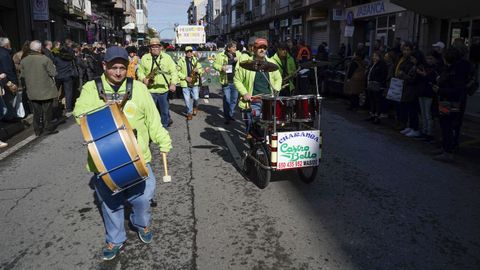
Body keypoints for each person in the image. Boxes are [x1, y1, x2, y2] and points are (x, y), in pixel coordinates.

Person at [73, 46, 172, 260]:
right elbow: (79, 113)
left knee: (144, 198)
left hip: (138, 157)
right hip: (105, 162)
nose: (118, 72)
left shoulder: (138, 88)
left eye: (122, 67)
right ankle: (115, 238)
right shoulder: (92, 88)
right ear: (104, 66)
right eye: (113, 68)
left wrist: (164, 140)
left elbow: (153, 120)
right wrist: (102, 109)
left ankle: (141, 224)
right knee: (111, 203)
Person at [234, 38, 282, 137]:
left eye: (264, 48)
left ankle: (264, 148)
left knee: (269, 128)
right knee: (253, 130)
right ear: (254, 49)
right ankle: (253, 149)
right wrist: (245, 93)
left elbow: (278, 78)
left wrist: (276, 90)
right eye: (259, 47)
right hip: (253, 100)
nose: (262, 50)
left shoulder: (271, 62)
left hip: (268, 100)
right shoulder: (246, 63)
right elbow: (237, 80)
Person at [19, 40, 59, 136]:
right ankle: (47, 129)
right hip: (46, 90)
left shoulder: (24, 60)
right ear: (39, 49)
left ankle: (37, 130)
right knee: (47, 112)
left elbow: (22, 75)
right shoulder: (45, 59)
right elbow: (53, 73)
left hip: (32, 90)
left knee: (36, 112)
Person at [137, 38, 178, 128]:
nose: (155, 49)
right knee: (151, 112)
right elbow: (140, 72)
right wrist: (143, 79)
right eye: (153, 47)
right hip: (150, 91)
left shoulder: (167, 58)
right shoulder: (145, 58)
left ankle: (164, 127)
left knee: (164, 111)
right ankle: (152, 128)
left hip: (164, 91)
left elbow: (174, 71)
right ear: (150, 48)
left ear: (161, 47)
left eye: (157, 46)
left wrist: (173, 83)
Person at [214, 41, 241, 124]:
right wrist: (221, 67)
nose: (235, 48)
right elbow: (215, 65)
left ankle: (230, 114)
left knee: (234, 100)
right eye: (233, 47)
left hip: (236, 81)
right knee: (227, 100)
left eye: (235, 47)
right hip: (226, 81)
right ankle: (227, 117)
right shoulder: (221, 55)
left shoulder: (238, 55)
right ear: (229, 48)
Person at [177, 46, 204, 120]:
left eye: (190, 51)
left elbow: (201, 70)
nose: (189, 53)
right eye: (187, 52)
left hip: (194, 83)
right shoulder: (181, 61)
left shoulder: (196, 60)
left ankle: (195, 107)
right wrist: (185, 77)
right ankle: (189, 112)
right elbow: (177, 71)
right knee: (187, 100)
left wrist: (197, 70)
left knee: (196, 98)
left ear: (192, 52)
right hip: (185, 83)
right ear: (185, 53)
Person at [365, 51, 388, 124]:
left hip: (377, 84)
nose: (374, 57)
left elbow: (383, 75)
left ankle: (377, 116)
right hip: (371, 83)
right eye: (374, 56)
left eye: (376, 56)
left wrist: (381, 84)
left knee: (377, 101)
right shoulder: (372, 64)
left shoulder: (382, 65)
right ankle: (372, 114)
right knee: (372, 100)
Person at [54, 47, 76, 117]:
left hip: (58, 76)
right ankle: (68, 110)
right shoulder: (69, 58)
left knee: (55, 93)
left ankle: (54, 108)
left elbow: (54, 65)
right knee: (68, 93)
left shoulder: (57, 58)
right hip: (68, 76)